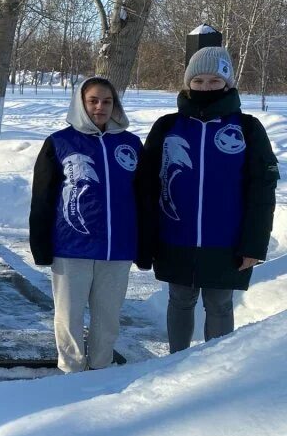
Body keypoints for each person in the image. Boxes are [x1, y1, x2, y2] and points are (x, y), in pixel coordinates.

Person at [138, 43, 279, 353]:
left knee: (219, 304)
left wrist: (254, 245)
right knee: (180, 300)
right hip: (175, 236)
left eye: (215, 80)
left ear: (228, 84)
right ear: (187, 83)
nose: (205, 87)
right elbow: (146, 187)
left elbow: (262, 191)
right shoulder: (167, 126)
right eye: (198, 81)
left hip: (227, 242)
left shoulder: (248, 129)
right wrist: (146, 240)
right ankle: (175, 364)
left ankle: (211, 368)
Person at [30, 76, 143, 372]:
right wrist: (40, 244)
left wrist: (145, 244)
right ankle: (71, 372)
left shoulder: (131, 144)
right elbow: (43, 197)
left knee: (107, 318)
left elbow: (144, 197)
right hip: (71, 247)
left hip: (117, 250)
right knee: (69, 317)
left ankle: (101, 369)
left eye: (107, 101)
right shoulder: (59, 142)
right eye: (93, 100)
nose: (100, 107)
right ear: (80, 103)